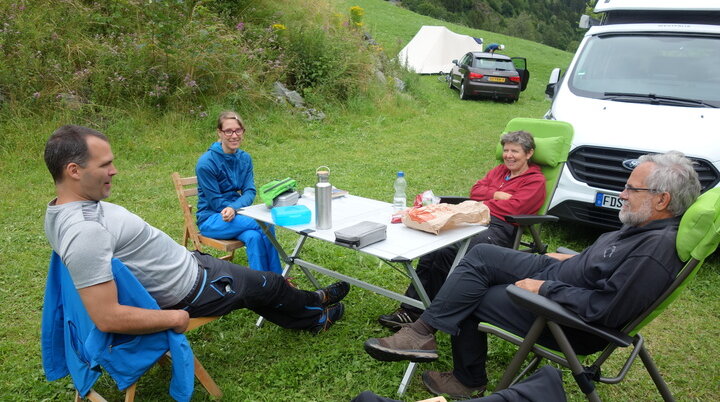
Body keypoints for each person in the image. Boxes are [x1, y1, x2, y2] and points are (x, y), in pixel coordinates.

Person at [364, 151, 700, 399]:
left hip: (569, 321)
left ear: (662, 199)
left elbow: (606, 309)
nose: (623, 194)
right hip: (562, 271)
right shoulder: (645, 228)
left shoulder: (653, 251)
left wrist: (545, 289)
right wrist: (574, 258)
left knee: (473, 292)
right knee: (480, 254)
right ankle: (424, 332)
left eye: (631, 189)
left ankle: (466, 379)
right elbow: (606, 267)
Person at [43, 125, 349, 336]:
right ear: (74, 170)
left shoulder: (60, 210)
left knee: (260, 287)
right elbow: (107, 317)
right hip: (193, 289)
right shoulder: (84, 231)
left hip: (192, 265)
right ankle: (316, 313)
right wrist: (174, 317)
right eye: (105, 165)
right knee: (269, 284)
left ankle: (312, 304)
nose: (114, 171)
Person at [378, 131, 545, 330]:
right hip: (473, 219)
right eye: (506, 150)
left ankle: (428, 315)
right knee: (434, 247)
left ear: (529, 153)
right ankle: (412, 308)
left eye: (515, 151)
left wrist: (483, 203)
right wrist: (496, 195)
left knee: (448, 250)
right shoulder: (499, 171)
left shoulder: (535, 181)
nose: (508, 155)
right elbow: (475, 191)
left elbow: (517, 208)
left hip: (498, 228)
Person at [195, 111, 282, 274]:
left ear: (243, 131)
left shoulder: (245, 158)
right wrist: (234, 209)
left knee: (253, 237)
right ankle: (278, 279)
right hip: (212, 219)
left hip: (236, 214)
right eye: (228, 131)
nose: (234, 135)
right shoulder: (206, 163)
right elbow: (215, 203)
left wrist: (234, 208)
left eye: (238, 130)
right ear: (219, 133)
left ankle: (261, 283)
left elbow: (250, 191)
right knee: (266, 224)